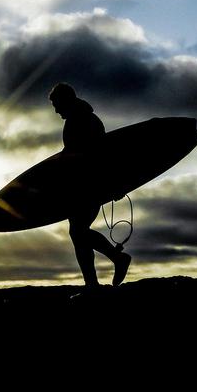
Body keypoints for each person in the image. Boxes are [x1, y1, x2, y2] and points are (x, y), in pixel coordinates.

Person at [49, 82, 131, 289]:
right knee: (78, 235)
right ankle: (92, 284)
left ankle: (115, 260)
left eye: (57, 104)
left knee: (78, 233)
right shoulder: (78, 118)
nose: (56, 109)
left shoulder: (85, 119)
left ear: (66, 100)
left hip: (90, 186)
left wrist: (115, 184)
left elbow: (103, 154)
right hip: (80, 187)